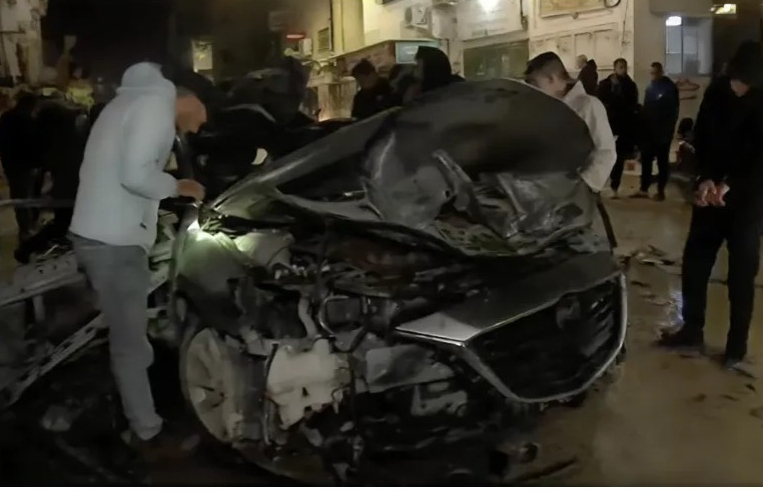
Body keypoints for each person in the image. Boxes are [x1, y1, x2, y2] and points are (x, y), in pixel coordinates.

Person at [68, 62, 207, 459]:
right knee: (129, 344)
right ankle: (146, 434)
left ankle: (140, 409)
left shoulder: (133, 102)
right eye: (203, 116)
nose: (198, 127)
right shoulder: (154, 107)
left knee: (131, 338)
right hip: (113, 241)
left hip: (105, 234)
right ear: (191, 98)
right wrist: (179, 186)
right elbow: (135, 174)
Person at [658, 41, 763, 369]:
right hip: (709, 196)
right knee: (695, 263)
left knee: (741, 275)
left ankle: (736, 346)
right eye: (735, 81)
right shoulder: (717, 91)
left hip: (747, 200)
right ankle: (692, 329)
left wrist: (730, 184)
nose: (738, 87)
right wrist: (704, 179)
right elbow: (702, 138)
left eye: (744, 83)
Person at [525, 52, 617, 193]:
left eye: (535, 84)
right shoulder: (547, 107)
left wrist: (584, 185)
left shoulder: (588, 106)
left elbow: (606, 152)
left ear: (551, 78)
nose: (532, 90)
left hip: (576, 191)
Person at [632, 62, 680, 201]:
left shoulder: (668, 88)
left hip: (662, 133)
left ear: (661, 72)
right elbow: (648, 108)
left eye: (655, 73)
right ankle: (644, 189)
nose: (652, 75)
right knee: (646, 160)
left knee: (662, 162)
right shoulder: (651, 87)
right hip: (649, 132)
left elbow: (671, 112)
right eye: (651, 73)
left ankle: (660, 191)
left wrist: (666, 131)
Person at [597, 58, 639, 197]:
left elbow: (633, 105)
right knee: (604, 157)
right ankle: (599, 185)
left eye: (624, 67)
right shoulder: (606, 84)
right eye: (620, 67)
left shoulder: (630, 85)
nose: (623, 69)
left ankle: (614, 186)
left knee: (619, 158)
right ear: (614, 68)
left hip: (623, 127)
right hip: (608, 126)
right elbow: (599, 102)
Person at [0, 92, 39, 242]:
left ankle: (25, 226)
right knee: (25, 195)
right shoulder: (28, 120)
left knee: (19, 195)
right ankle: (27, 227)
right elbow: (31, 144)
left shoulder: (6, 117)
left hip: (11, 163)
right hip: (25, 164)